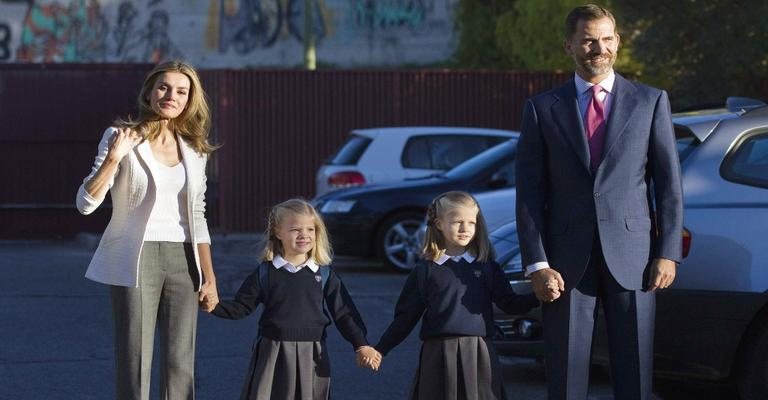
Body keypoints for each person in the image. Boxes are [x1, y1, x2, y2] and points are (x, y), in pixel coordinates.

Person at [514, 4, 683, 399]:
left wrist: (668, 252)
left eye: (607, 39)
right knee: (566, 377)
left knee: (635, 376)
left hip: (636, 259)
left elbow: (669, 184)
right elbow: (529, 193)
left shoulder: (650, 101)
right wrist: (537, 263)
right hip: (564, 263)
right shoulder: (541, 109)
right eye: (589, 40)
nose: (599, 48)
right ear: (569, 45)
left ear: (618, 42)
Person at [75, 60, 219, 400]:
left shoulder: (195, 149)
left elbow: (198, 215)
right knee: (135, 357)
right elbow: (84, 204)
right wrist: (114, 157)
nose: (171, 95)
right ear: (149, 92)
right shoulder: (119, 137)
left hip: (185, 258)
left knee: (181, 361)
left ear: (189, 100)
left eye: (181, 91)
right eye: (164, 87)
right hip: (136, 255)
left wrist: (209, 277)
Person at [202, 198, 380, 400]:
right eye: (296, 229)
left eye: (310, 229)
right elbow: (241, 307)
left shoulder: (326, 275)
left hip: (313, 353)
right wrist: (213, 306)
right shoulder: (265, 273)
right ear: (278, 232)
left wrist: (361, 345)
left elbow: (345, 314)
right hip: (272, 352)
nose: (304, 235)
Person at [374, 191, 539, 399]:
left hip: (480, 353)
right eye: (457, 221)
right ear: (439, 224)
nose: (465, 228)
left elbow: (510, 303)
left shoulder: (488, 267)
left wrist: (538, 296)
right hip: (438, 354)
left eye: (471, 222)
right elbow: (406, 317)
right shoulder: (426, 269)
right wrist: (381, 349)